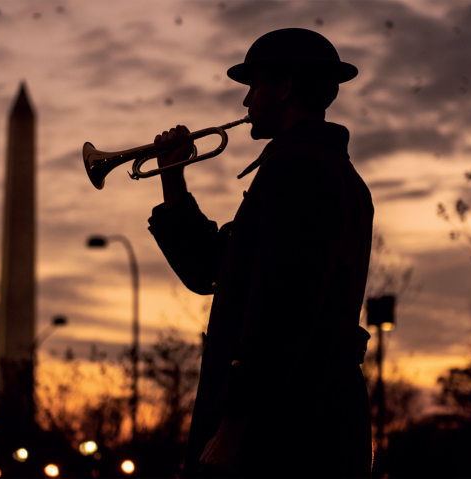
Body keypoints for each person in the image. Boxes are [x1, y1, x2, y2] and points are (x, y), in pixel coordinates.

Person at [148, 28, 374, 478]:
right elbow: (212, 269)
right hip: (297, 415)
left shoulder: (300, 170)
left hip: (286, 429)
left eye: (254, 87)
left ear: (285, 87)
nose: (246, 102)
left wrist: (233, 426)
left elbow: (279, 311)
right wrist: (172, 176)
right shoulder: (314, 167)